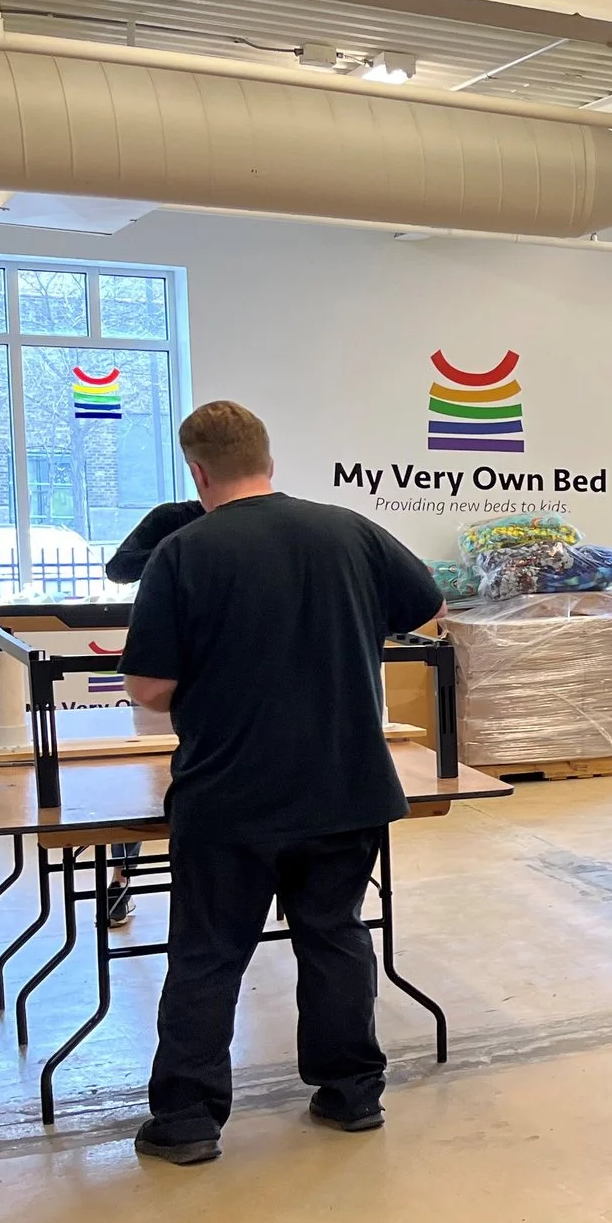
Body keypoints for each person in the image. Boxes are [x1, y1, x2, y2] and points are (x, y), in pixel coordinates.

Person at [119, 401, 446, 1166]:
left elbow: (148, 687)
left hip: (229, 794)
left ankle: (188, 1120)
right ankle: (352, 1092)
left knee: (208, 951)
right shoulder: (350, 530)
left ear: (198, 472)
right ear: (268, 459)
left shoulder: (183, 552)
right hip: (345, 784)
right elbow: (431, 612)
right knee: (334, 935)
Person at [95, 499, 208, 928]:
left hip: (225, 662)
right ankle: (121, 880)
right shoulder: (173, 518)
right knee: (146, 774)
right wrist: (177, 549)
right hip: (164, 658)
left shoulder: (259, 523)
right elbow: (118, 568)